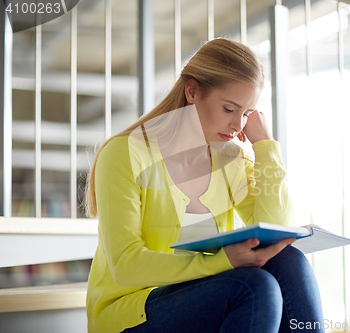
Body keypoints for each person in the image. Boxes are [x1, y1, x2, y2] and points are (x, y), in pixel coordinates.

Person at [85, 38, 325, 333]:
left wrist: (264, 146)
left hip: (204, 296)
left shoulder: (232, 160)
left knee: (289, 260)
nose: (239, 125)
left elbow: (278, 232)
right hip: (130, 311)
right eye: (229, 109)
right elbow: (125, 265)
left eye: (247, 113)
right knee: (252, 287)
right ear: (192, 91)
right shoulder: (125, 153)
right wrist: (222, 262)